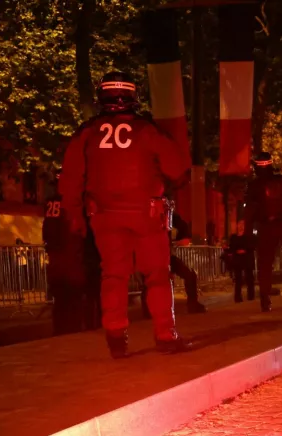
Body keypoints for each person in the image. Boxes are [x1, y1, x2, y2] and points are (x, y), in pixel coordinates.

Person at [59, 70, 193, 359]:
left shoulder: (87, 132)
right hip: (146, 215)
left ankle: (116, 337)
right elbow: (179, 169)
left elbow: (70, 179)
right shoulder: (147, 130)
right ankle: (165, 335)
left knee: (113, 275)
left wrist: (75, 217)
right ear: (133, 96)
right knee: (157, 275)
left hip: (104, 216)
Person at [245, 152, 282, 312]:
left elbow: (250, 211)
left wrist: (248, 232)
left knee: (265, 264)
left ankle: (265, 299)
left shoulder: (254, 185)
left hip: (266, 227)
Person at [141, 212, 207, 317]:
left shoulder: (169, 215)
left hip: (166, 255)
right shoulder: (147, 215)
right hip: (150, 256)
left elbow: (183, 231)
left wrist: (177, 240)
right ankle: (147, 310)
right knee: (149, 281)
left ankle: (192, 304)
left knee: (190, 275)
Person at [42, 192, 86, 335]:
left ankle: (61, 330)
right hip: (70, 262)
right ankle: (72, 330)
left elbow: (48, 231)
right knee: (72, 300)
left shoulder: (52, 203)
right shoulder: (71, 199)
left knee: (61, 301)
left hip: (57, 261)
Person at [227, 224, 256, 303]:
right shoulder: (234, 237)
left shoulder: (248, 236)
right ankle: (238, 297)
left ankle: (251, 295)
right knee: (238, 279)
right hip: (238, 260)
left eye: (242, 225)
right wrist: (235, 251)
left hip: (247, 259)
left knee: (249, 278)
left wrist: (245, 250)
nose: (241, 227)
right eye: (239, 225)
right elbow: (232, 247)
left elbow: (252, 246)